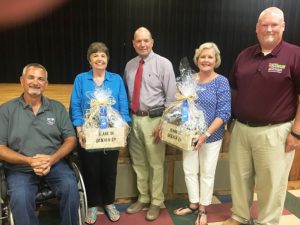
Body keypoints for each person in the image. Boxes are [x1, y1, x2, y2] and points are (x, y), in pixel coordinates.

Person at [223, 7, 300, 225]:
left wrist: (296, 132)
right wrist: (232, 124)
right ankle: (239, 216)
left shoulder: (295, 55)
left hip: (276, 132)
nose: (269, 29)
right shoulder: (244, 56)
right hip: (242, 129)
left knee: (272, 184)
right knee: (239, 179)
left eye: (274, 24)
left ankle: (267, 221)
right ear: (257, 28)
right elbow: (234, 90)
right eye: (264, 25)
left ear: (283, 26)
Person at [0, 63, 80, 225]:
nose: (36, 82)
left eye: (40, 79)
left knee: (71, 187)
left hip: (55, 164)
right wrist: (29, 161)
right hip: (20, 168)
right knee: (20, 197)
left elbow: (71, 139)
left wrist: (52, 159)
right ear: (22, 80)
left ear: (46, 84)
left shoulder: (57, 108)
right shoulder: (6, 110)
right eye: (31, 77)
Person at [70, 42, 131, 224]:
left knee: (109, 170)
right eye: (95, 55)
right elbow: (75, 106)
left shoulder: (116, 79)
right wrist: (80, 130)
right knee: (91, 170)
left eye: (103, 55)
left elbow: (123, 105)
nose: (99, 58)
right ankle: (93, 205)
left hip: (112, 133)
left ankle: (109, 202)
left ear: (107, 59)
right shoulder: (81, 79)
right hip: (89, 134)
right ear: (90, 60)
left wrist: (124, 129)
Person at [173, 42, 231, 225]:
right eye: (202, 57)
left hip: (211, 137)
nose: (206, 60)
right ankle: (193, 203)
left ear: (216, 60)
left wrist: (205, 134)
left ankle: (203, 208)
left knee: (207, 172)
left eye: (210, 57)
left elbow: (224, 112)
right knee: (189, 170)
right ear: (197, 60)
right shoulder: (188, 79)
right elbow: (179, 106)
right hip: (188, 135)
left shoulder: (221, 81)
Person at [124, 27, 177, 221]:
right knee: (138, 162)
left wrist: (163, 124)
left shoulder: (164, 64)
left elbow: (171, 99)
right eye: (139, 41)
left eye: (146, 40)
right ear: (133, 43)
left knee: (155, 164)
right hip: (134, 120)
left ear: (152, 42)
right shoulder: (130, 65)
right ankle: (143, 197)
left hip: (154, 120)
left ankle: (156, 201)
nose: (142, 44)